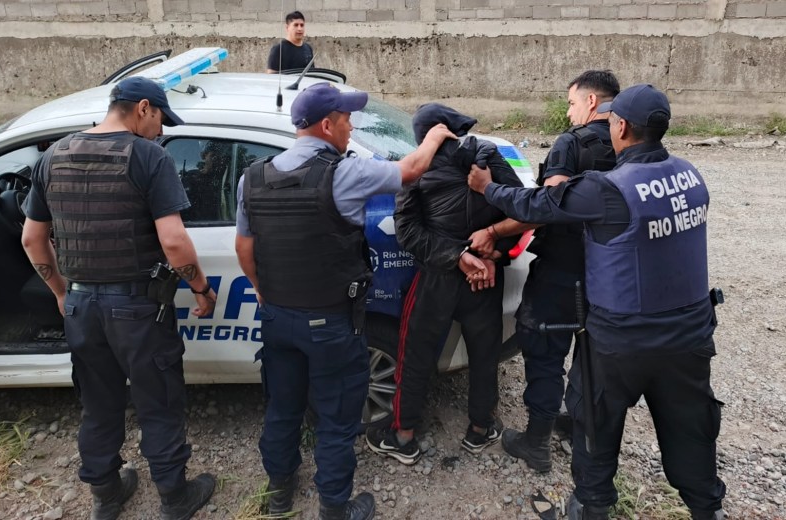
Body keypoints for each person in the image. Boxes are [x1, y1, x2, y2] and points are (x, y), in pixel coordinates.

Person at [468, 84, 726, 520]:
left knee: (595, 429)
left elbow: (540, 203)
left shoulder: (609, 188)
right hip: (689, 337)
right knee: (691, 432)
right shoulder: (690, 175)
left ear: (620, 125)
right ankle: (708, 509)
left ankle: (591, 507)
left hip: (621, 341)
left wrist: (487, 188)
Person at [234, 83, 456, 520]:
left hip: (278, 318)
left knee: (283, 408)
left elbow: (245, 249)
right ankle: (335, 508)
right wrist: (435, 135)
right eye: (347, 119)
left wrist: (263, 290)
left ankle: (279, 494)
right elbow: (410, 170)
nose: (351, 126)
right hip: (331, 324)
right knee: (337, 419)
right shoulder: (344, 173)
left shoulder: (253, 177)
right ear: (327, 124)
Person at [20, 76, 219, 520]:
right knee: (159, 401)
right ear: (143, 108)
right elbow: (174, 242)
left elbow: (33, 239)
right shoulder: (147, 157)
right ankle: (174, 498)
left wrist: (60, 292)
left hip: (81, 306)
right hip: (137, 308)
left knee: (98, 403)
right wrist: (200, 288)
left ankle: (107, 495)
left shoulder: (54, 156)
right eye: (161, 120)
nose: (162, 131)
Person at [470, 71, 619, 473]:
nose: (569, 112)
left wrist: (489, 199)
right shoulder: (633, 144)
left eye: (571, 103)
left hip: (563, 271)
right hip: (612, 276)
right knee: (592, 353)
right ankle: (577, 423)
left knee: (545, 352)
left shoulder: (572, 143)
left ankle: (537, 441)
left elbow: (546, 205)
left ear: (590, 102)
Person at [364, 104, 523, 465]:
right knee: (485, 356)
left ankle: (403, 436)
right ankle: (480, 430)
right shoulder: (487, 155)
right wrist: (492, 255)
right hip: (484, 277)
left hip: (438, 277)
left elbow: (407, 232)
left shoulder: (415, 169)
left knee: (415, 355)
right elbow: (519, 208)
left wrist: (456, 256)